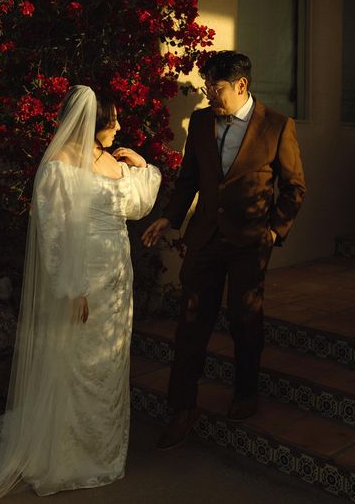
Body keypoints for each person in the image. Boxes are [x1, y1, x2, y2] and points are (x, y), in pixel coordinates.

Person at [0, 85, 161, 500]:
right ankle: (68, 453)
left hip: (117, 277)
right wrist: (71, 289)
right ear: (94, 123)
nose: (120, 127)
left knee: (108, 362)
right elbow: (53, 234)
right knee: (75, 361)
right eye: (115, 121)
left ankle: (101, 449)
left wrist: (140, 163)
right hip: (82, 278)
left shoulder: (111, 158)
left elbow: (137, 206)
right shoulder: (58, 166)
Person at [142, 50, 306, 450]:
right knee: (191, 321)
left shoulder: (278, 126)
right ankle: (182, 408)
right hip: (205, 240)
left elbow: (294, 187)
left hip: (250, 244)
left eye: (215, 88)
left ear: (241, 85)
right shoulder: (200, 122)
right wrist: (171, 217)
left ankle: (245, 391)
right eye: (206, 87)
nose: (208, 96)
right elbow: (190, 179)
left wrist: (273, 232)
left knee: (244, 319)